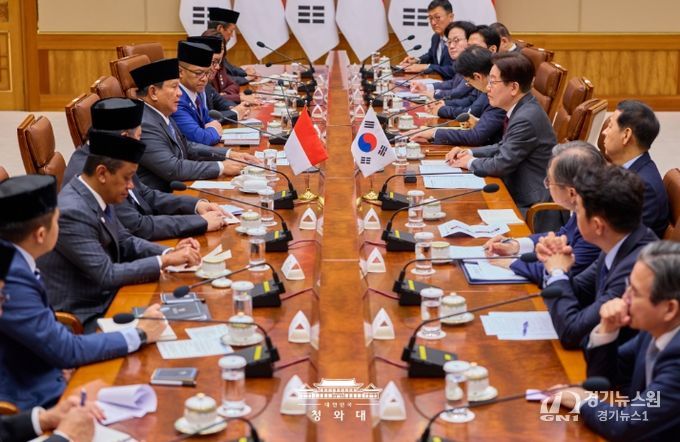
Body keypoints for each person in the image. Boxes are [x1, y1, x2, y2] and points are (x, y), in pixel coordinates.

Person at [0, 175, 167, 409]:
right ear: (40, 235)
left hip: (50, 364)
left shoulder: (15, 257)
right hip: (32, 398)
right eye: (57, 221)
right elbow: (65, 350)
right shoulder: (11, 278)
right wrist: (139, 334)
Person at [37, 131, 201, 331]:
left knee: (190, 307)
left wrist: (169, 252)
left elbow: (125, 241)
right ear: (102, 173)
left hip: (110, 295)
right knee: (179, 325)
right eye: (127, 178)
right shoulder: (73, 212)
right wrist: (164, 261)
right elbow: (107, 274)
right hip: (85, 314)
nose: (131, 186)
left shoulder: (96, 192)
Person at [548, 241, 680, 441]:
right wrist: (607, 330)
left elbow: (626, 425)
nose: (624, 298)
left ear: (669, 309)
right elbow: (606, 379)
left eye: (635, 293)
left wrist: (583, 400)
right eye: (628, 286)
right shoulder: (654, 330)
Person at [63, 97, 227, 241]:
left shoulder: (112, 154)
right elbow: (136, 226)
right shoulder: (95, 171)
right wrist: (199, 222)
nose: (142, 144)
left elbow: (146, 194)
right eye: (139, 137)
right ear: (125, 138)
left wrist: (196, 205)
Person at [540, 165, 658, 349]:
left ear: (597, 226)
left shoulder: (636, 268)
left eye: (578, 211)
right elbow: (580, 291)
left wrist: (557, 272)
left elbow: (572, 332)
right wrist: (558, 266)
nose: (575, 216)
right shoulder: (619, 241)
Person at [446, 52, 557, 217]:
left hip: (529, 206)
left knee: (463, 211)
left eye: (493, 81)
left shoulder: (525, 118)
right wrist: (469, 152)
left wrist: (469, 162)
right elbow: (503, 145)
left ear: (513, 88)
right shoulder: (522, 108)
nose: (487, 88)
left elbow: (501, 164)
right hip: (514, 190)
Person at [485, 141, 604, 285]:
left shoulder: (596, 224)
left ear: (571, 193)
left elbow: (562, 270)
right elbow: (563, 236)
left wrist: (511, 263)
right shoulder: (586, 204)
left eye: (550, 181)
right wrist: (516, 245)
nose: (547, 185)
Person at [131, 58, 252, 192]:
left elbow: (186, 146)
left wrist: (229, 154)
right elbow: (173, 168)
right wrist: (221, 167)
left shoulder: (160, 112)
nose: (180, 93)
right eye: (174, 87)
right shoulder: (144, 123)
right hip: (163, 195)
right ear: (153, 92)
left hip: (180, 188)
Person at [409, 46, 505, 146]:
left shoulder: (499, 96)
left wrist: (433, 133)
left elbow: (476, 135)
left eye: (468, 82)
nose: (469, 85)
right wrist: (478, 122)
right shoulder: (490, 90)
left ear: (477, 76)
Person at [602, 100, 669, 238]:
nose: (604, 132)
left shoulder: (643, 187)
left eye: (610, 126)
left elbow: (619, 240)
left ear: (626, 135)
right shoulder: (622, 169)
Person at [172, 41, 248, 146]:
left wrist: (211, 127)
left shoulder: (196, 92)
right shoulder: (176, 100)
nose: (204, 79)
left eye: (207, 73)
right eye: (198, 73)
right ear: (180, 72)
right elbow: (202, 138)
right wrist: (213, 129)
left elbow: (209, 119)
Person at [410, 21, 478, 118]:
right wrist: (426, 87)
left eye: (456, 40)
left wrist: (434, 95)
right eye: (449, 42)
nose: (451, 46)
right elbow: (453, 83)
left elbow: (459, 92)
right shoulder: (462, 63)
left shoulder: (477, 66)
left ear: (470, 42)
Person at [186, 35, 252, 123]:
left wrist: (236, 109)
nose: (218, 67)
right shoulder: (182, 94)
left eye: (219, 62)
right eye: (213, 62)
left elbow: (221, 101)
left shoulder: (206, 85)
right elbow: (202, 120)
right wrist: (235, 113)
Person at [400, 0, 454, 77]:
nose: (433, 23)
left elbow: (454, 70)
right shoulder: (435, 37)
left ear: (451, 17)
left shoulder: (458, 40)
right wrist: (417, 60)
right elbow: (431, 55)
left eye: (437, 17)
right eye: (430, 18)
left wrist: (426, 67)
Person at [206, 7, 255, 85]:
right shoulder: (208, 48)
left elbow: (229, 68)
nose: (232, 36)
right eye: (231, 31)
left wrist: (244, 72)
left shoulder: (217, 45)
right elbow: (222, 79)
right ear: (220, 28)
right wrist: (246, 78)